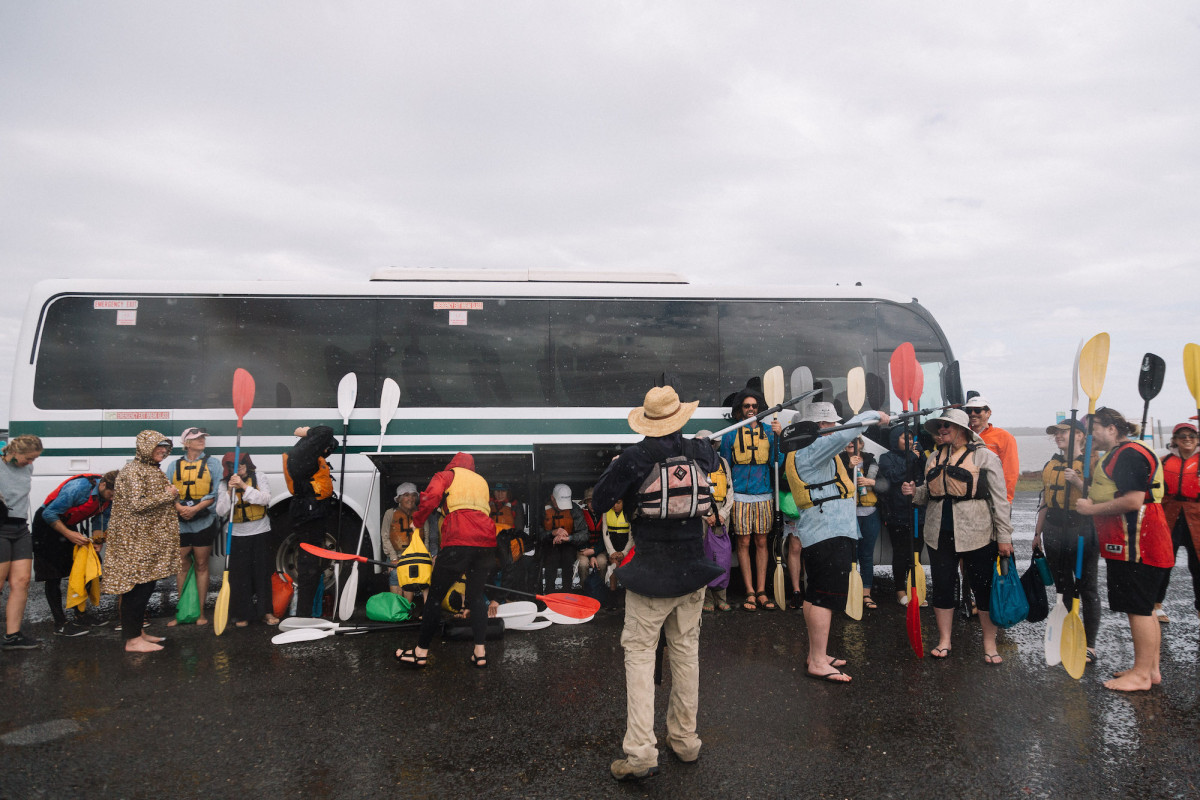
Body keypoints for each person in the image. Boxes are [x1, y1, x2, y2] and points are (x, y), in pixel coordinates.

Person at [591, 385, 722, 781]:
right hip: (692, 572)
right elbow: (712, 460)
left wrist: (616, 468)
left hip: (650, 574)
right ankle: (685, 742)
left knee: (640, 656)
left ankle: (641, 754)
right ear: (679, 416)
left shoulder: (634, 457)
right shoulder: (699, 450)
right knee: (685, 653)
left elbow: (599, 501)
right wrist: (700, 443)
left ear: (648, 421)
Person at [785, 402, 889, 682]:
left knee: (816, 595)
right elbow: (848, 433)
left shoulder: (808, 449)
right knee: (824, 597)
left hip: (826, 531)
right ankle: (818, 661)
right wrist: (874, 415)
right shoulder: (812, 448)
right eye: (831, 424)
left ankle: (816, 653)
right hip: (827, 532)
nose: (836, 428)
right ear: (819, 427)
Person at [902, 408, 1013, 663]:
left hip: (978, 534)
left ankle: (989, 644)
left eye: (947, 426)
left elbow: (1000, 500)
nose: (941, 430)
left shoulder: (985, 457)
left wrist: (1004, 537)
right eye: (939, 427)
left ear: (963, 430)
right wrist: (913, 492)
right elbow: (928, 495)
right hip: (939, 534)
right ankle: (944, 640)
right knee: (942, 587)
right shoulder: (933, 459)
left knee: (982, 588)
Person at [1076, 407, 1174, 692]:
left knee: (1138, 608)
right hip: (1143, 539)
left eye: (1094, 428)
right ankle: (1149, 668)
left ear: (1111, 429)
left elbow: (1133, 501)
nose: (1091, 435)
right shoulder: (1126, 451)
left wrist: (1091, 509)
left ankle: (1142, 675)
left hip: (1137, 540)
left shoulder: (1128, 454)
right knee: (1145, 608)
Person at [397, 452, 497, 669]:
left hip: (459, 540)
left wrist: (417, 520)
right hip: (486, 543)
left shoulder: (447, 475)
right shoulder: (481, 481)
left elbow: (429, 499)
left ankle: (420, 652)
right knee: (476, 596)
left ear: (453, 464)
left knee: (434, 596)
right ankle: (480, 653)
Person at [100, 431, 179, 653]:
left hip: (148, 539)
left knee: (146, 586)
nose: (162, 451)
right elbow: (137, 504)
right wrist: (169, 494)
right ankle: (132, 640)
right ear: (145, 448)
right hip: (135, 541)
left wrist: (170, 494)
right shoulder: (134, 471)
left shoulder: (150, 469)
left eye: (164, 448)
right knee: (137, 589)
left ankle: (138, 633)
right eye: (157, 448)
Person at [1033, 419, 1098, 661]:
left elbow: (1102, 499)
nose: (1058, 436)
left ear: (1081, 436)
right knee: (1063, 585)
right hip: (1053, 529)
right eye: (1056, 433)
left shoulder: (1092, 462)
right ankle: (1069, 631)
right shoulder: (1051, 464)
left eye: (1064, 432)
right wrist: (1037, 533)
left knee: (1087, 588)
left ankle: (1090, 645)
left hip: (1081, 530)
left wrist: (1079, 482)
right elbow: (1045, 501)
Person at [718, 387, 783, 611]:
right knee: (744, 543)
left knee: (762, 542)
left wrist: (778, 436)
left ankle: (762, 590)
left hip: (763, 495)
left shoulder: (769, 430)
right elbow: (725, 466)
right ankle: (749, 591)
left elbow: (779, 461)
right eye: (747, 406)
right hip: (740, 496)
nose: (751, 409)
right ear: (739, 409)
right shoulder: (731, 434)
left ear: (760, 409)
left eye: (754, 406)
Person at [32, 470, 117, 636]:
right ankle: (60, 623)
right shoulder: (78, 488)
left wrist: (98, 541)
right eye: (111, 494)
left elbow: (100, 519)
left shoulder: (110, 497)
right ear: (103, 484)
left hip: (67, 524)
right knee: (53, 575)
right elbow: (48, 513)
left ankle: (80, 615)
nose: (112, 499)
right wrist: (70, 534)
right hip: (46, 525)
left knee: (86, 567)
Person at [164, 427, 222, 626]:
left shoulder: (213, 464)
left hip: (203, 522)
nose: (202, 440)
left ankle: (201, 613)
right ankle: (181, 613)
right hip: (180, 522)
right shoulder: (173, 466)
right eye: (197, 438)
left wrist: (196, 508)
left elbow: (216, 492)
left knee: (201, 565)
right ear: (186, 444)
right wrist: (180, 507)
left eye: (203, 437)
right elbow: (168, 492)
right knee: (181, 566)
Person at [215, 452, 278, 627]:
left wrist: (243, 485)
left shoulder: (259, 477)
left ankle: (266, 611)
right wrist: (229, 491)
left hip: (261, 532)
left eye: (242, 463)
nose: (239, 467)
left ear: (247, 463)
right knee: (239, 577)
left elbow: (265, 499)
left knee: (263, 573)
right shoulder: (223, 484)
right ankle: (242, 614)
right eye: (234, 465)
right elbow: (220, 511)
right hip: (236, 535)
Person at [283, 425, 339, 618]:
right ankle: (303, 615)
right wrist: (306, 431)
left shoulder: (306, 455)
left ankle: (309, 612)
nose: (325, 452)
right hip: (308, 516)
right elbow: (325, 431)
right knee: (308, 567)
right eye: (323, 449)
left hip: (311, 514)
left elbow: (331, 442)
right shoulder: (302, 456)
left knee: (314, 566)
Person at [0, 435, 45, 650]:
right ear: (14, 452)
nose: (31, 463)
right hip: (0, 526)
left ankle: (13, 636)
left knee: (22, 581)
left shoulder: (27, 468)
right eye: (28, 458)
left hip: (20, 527)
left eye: (34, 459)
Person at [1155, 422, 1200, 622]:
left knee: (1198, 565)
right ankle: (1156, 605)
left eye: (1191, 436)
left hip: (1196, 517)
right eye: (1182, 436)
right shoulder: (1163, 461)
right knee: (1163, 562)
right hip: (1170, 515)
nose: (1187, 439)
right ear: (1174, 440)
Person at [877, 426, 926, 606]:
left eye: (911, 438)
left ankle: (914, 587)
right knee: (900, 553)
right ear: (895, 440)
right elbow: (893, 477)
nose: (910, 442)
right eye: (905, 438)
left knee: (916, 553)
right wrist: (911, 458)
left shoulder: (917, 455)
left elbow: (927, 474)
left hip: (917, 512)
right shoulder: (886, 457)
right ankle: (899, 590)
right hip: (897, 512)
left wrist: (920, 458)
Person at [842, 436, 884, 611]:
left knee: (866, 555)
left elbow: (885, 485)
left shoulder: (871, 461)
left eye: (855, 441)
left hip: (869, 514)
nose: (851, 444)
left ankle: (866, 593)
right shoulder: (838, 460)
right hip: (846, 514)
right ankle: (847, 593)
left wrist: (870, 482)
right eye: (848, 441)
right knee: (846, 556)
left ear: (861, 444)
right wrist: (849, 467)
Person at [963, 395, 1020, 503]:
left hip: (994, 499)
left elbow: (1010, 472)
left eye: (978, 410)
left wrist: (1005, 500)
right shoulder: (961, 436)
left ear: (988, 413)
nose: (973, 414)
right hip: (966, 500)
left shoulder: (1004, 437)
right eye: (969, 410)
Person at [540, 483, 587, 593]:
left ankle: (567, 594)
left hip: (569, 544)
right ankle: (549, 594)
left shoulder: (574, 510)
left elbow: (584, 534)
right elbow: (537, 534)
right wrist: (553, 533)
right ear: (552, 498)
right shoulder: (543, 509)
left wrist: (568, 538)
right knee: (551, 561)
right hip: (549, 545)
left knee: (568, 560)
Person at [381, 483, 421, 601]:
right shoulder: (390, 513)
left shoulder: (420, 514)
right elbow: (385, 536)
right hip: (396, 554)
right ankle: (397, 610)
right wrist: (393, 558)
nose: (411, 499)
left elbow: (426, 537)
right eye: (406, 495)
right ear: (399, 498)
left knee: (410, 577)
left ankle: (406, 610)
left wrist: (420, 557)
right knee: (394, 574)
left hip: (414, 556)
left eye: (413, 495)